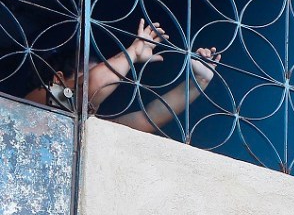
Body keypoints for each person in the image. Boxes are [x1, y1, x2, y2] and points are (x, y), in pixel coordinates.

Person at [24, 18, 221, 133]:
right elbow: (93, 85)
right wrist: (132, 53)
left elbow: (149, 118)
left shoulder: (82, 126)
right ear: (58, 79)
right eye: (85, 75)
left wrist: (199, 81)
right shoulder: (36, 101)